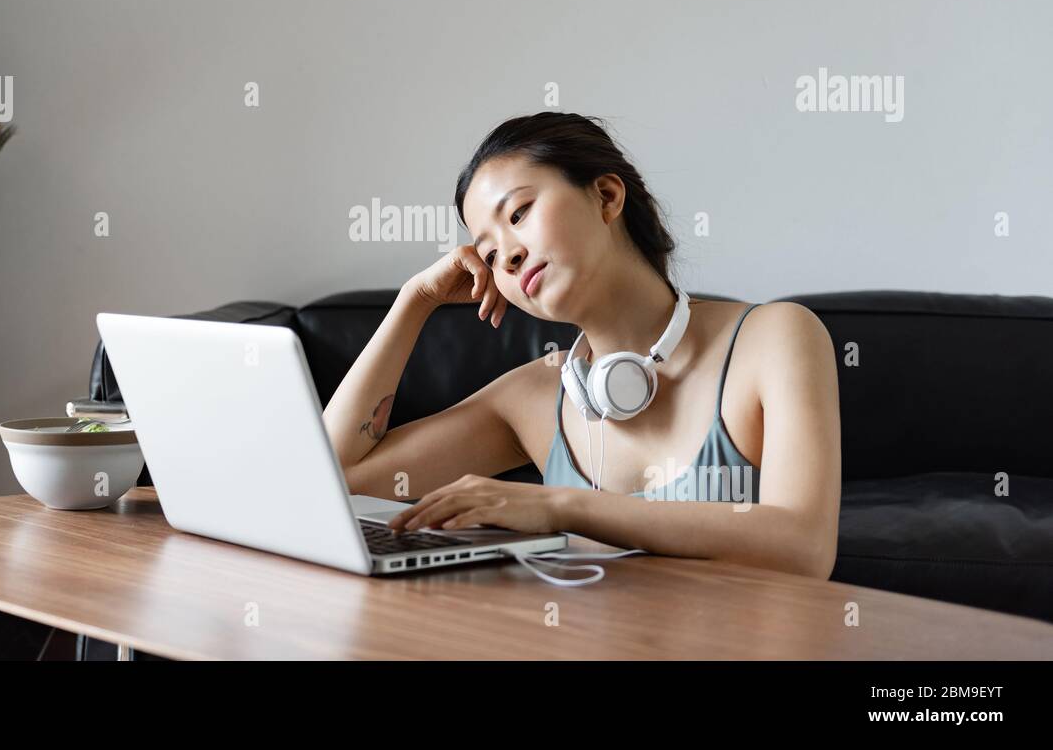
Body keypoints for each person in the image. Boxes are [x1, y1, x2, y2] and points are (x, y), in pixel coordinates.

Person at [323, 112, 840, 579]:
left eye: (519, 213)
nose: (507, 256)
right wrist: (415, 302)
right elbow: (336, 478)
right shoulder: (532, 396)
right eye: (488, 251)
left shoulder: (776, 338)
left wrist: (560, 507)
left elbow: (804, 549)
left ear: (607, 197)